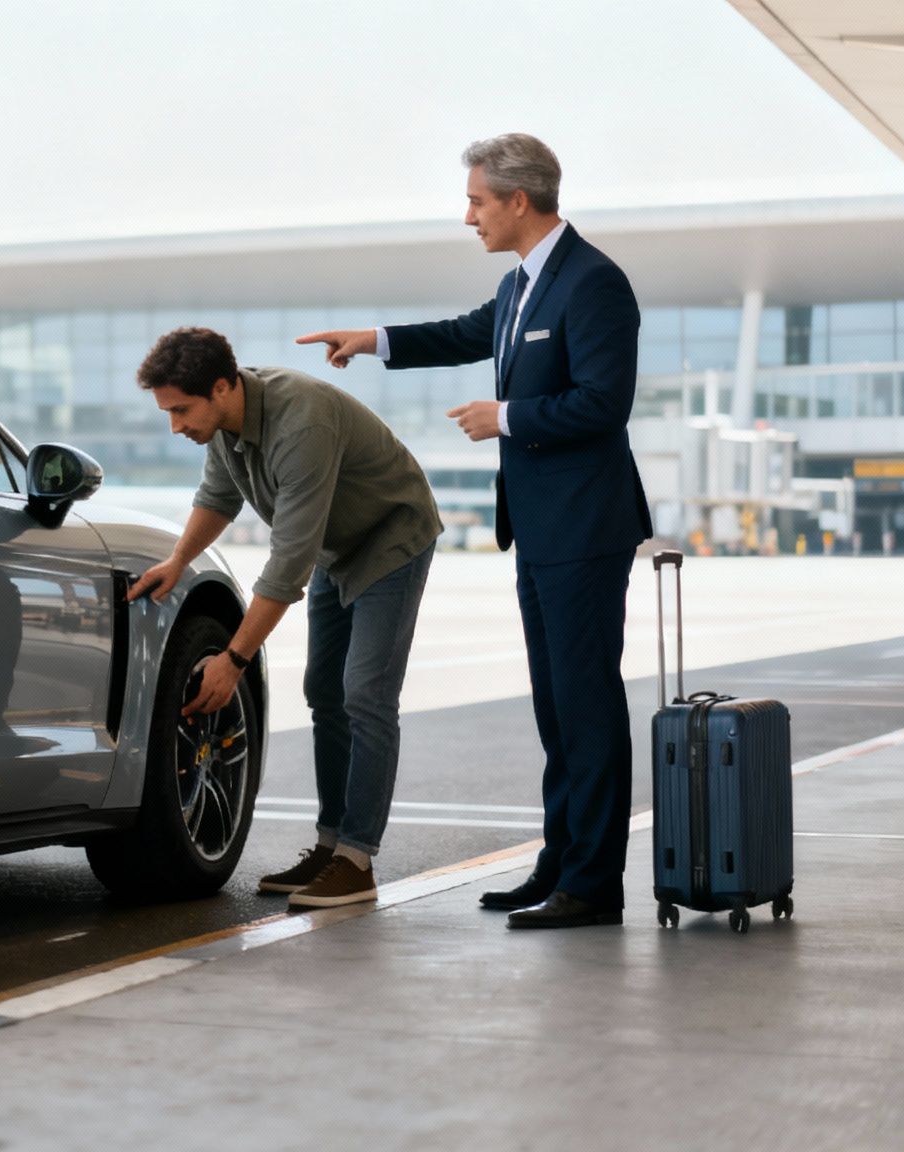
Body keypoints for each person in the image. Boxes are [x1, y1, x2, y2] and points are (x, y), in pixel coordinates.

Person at [297, 132, 652, 929]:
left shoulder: (593, 283)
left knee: (587, 707)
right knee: (556, 709)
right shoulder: (524, 284)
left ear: (518, 201)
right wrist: (374, 341)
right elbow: (463, 332)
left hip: (586, 531)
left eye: (477, 201)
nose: (469, 217)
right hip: (538, 531)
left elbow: (605, 403)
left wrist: (508, 417)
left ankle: (593, 883)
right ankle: (561, 861)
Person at [128, 327, 441, 908]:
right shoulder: (224, 426)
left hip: (391, 537)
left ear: (222, 387)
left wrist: (234, 661)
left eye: (180, 410)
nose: (174, 425)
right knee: (323, 689)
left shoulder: (303, 422)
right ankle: (329, 847)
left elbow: (287, 564)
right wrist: (178, 561)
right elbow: (217, 500)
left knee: (366, 693)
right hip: (338, 548)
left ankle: (356, 860)